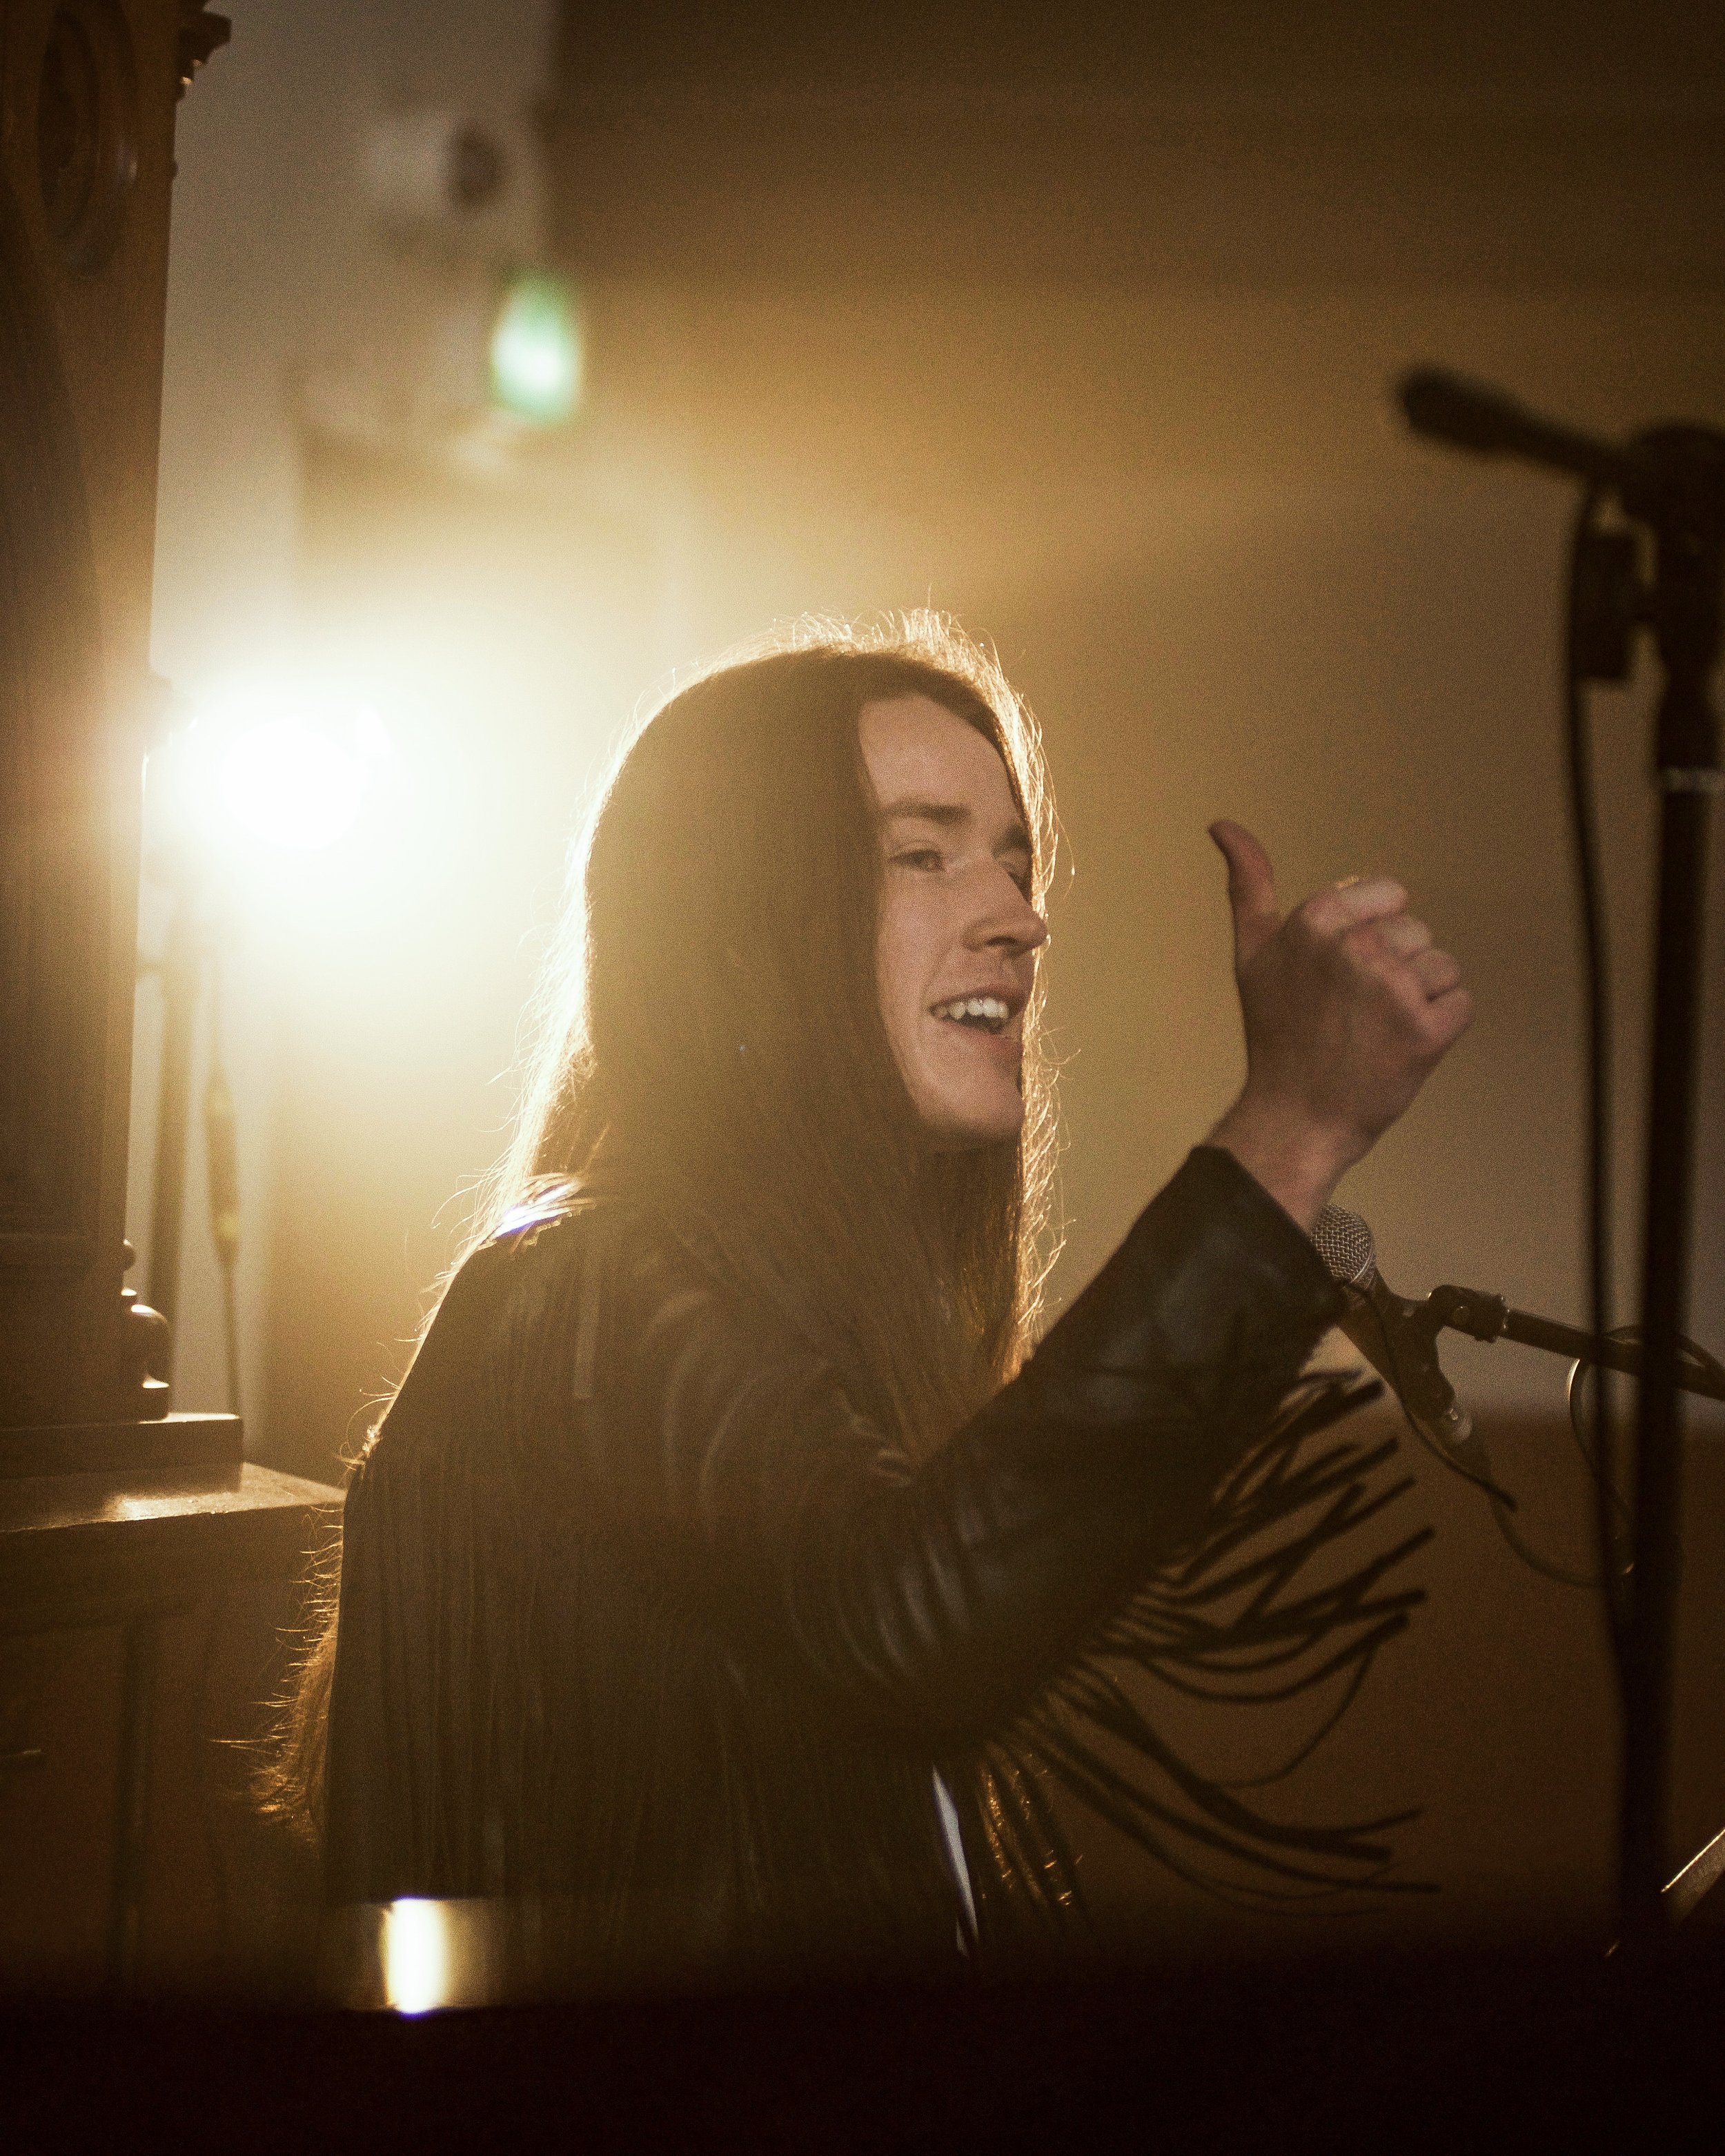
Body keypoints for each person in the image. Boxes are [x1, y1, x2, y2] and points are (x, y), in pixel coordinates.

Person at [266, 617, 1470, 1982]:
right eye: (923, 851)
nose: (1020, 916)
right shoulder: (579, 1284)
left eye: (1015, 860)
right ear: (740, 926)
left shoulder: (778, 1333)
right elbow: (920, 1629)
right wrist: (1289, 1131)